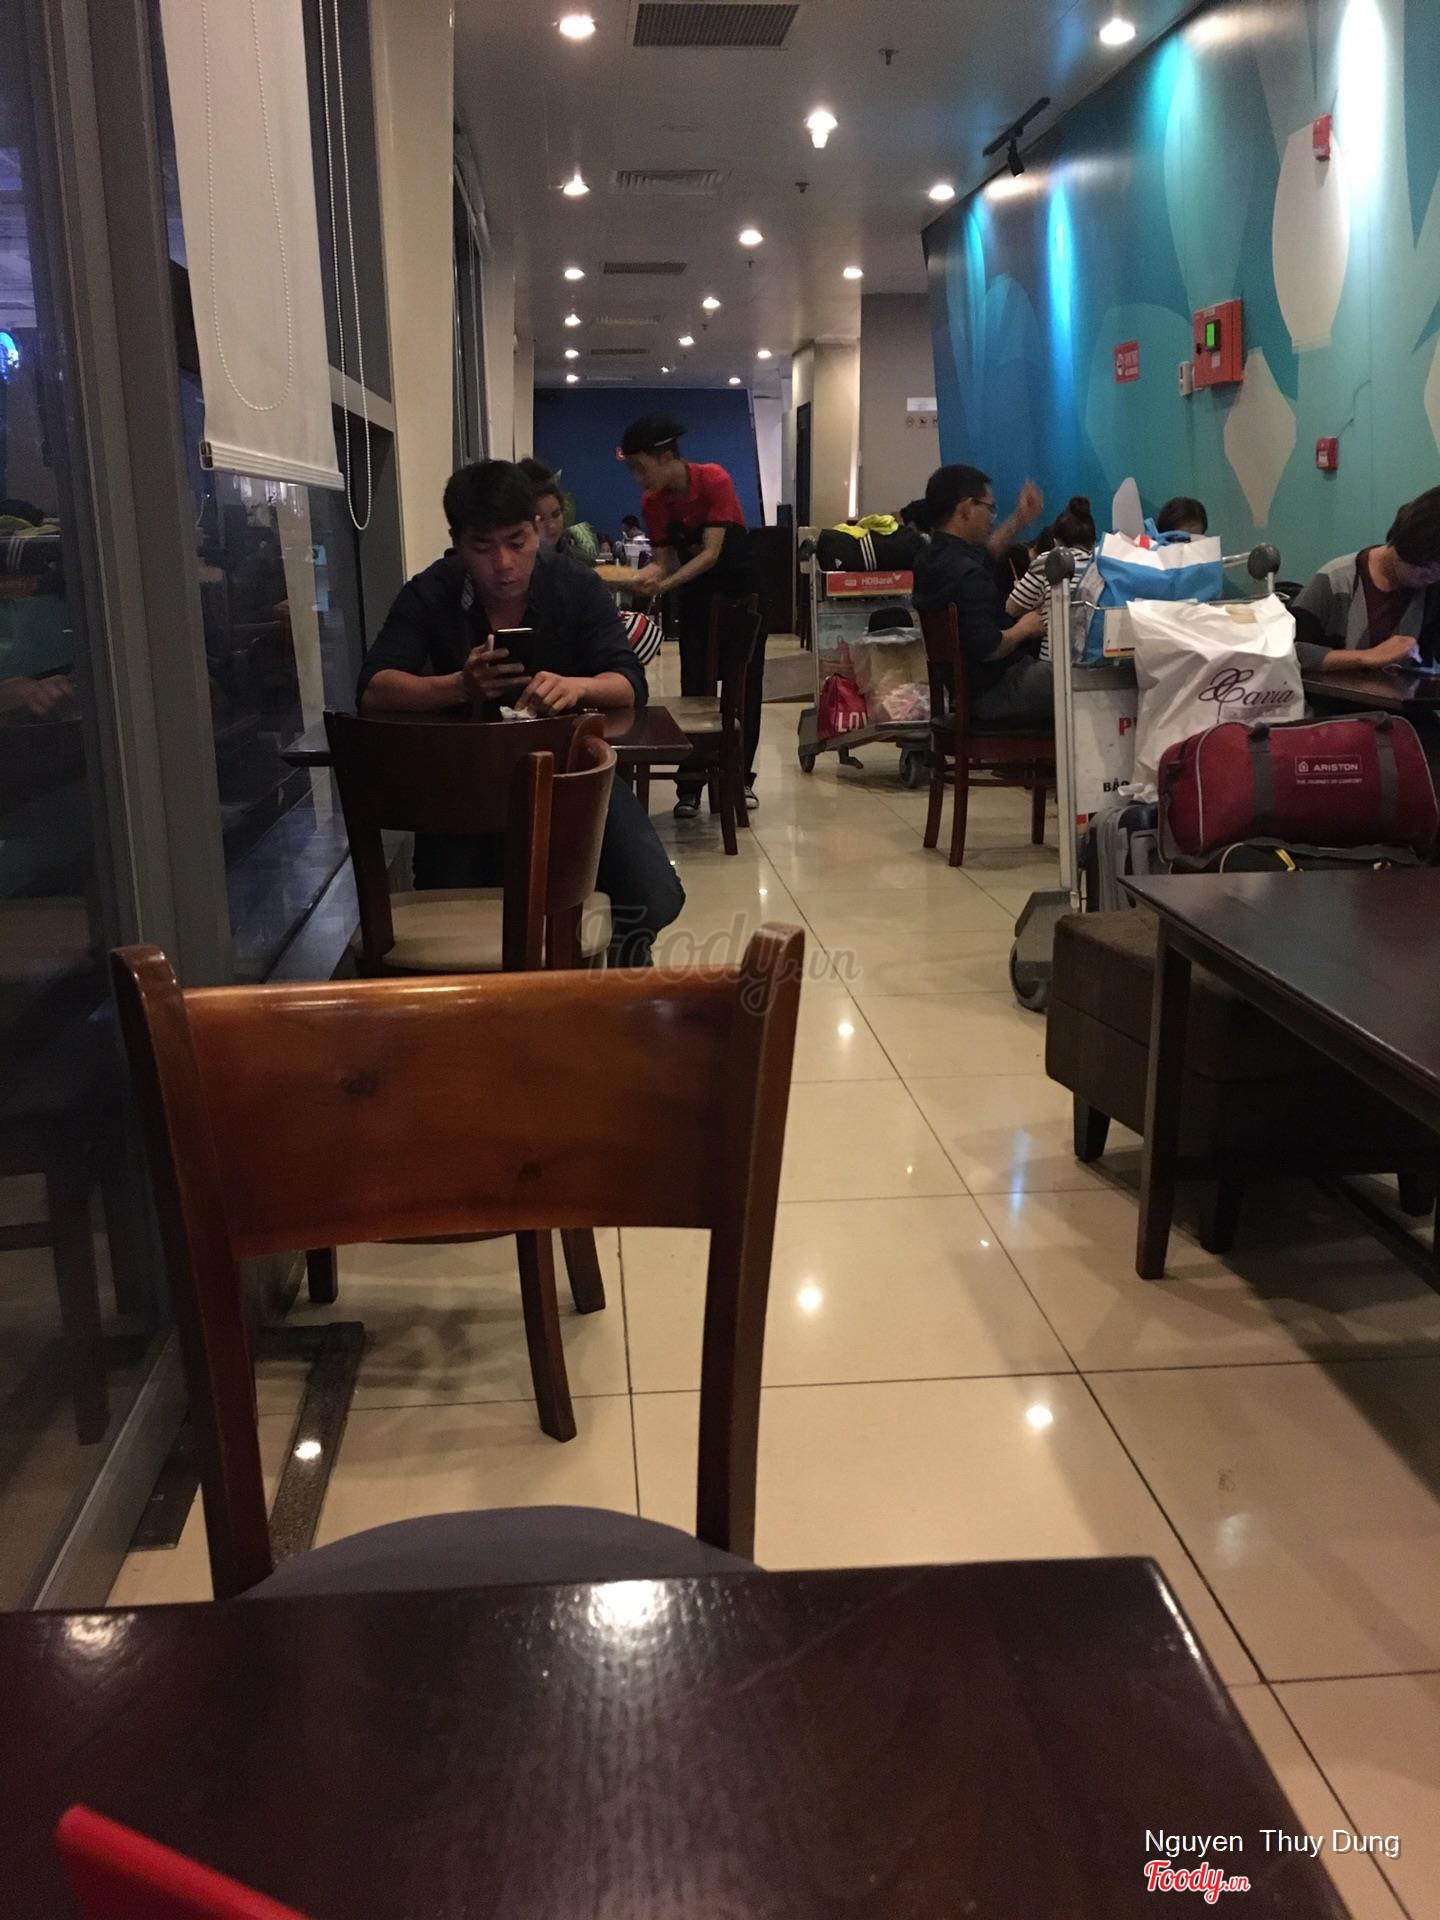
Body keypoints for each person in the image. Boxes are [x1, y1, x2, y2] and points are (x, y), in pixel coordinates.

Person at [356, 460, 684, 965]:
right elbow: (373, 689)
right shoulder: (433, 590)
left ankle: (605, 986)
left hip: (572, 775)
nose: (504, 564)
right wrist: (458, 685)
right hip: (460, 784)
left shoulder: (575, 586)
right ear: (457, 543)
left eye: (517, 541)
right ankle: (504, 1002)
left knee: (653, 894)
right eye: (483, 548)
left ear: (537, 528)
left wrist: (575, 686)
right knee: (461, 921)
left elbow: (629, 684)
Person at [621, 414, 765, 817]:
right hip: (698, 596)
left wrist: (664, 586)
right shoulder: (653, 502)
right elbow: (663, 562)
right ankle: (691, 785)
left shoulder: (713, 479)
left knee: (742, 688)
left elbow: (711, 553)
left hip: (741, 593)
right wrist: (635, 580)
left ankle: (739, 780)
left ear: (667, 458)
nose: (638, 479)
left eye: (641, 468)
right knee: (695, 685)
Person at [911, 463, 1050, 728]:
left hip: (968, 692)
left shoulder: (931, 558)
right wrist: (1024, 628)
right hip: (995, 692)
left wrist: (1019, 520)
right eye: (989, 508)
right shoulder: (966, 573)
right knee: (1076, 679)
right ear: (966, 508)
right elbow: (990, 647)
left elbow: (987, 554)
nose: (992, 517)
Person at [1293, 487, 1440, 673]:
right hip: (1336, 692)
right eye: (1426, 569)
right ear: (1403, 547)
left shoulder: (1433, 588)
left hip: (1403, 692)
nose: (1432, 579)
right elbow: (1286, 653)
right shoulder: (1336, 580)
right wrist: (1367, 657)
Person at [1006, 495, 1096, 660]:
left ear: (1055, 542)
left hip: (1054, 665)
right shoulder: (1101, 565)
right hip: (1093, 662)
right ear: (1093, 542)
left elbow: (1012, 608)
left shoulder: (1050, 561)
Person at [518, 459, 598, 565]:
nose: (551, 526)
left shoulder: (582, 565)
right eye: (541, 519)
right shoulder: (514, 567)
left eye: (556, 515)